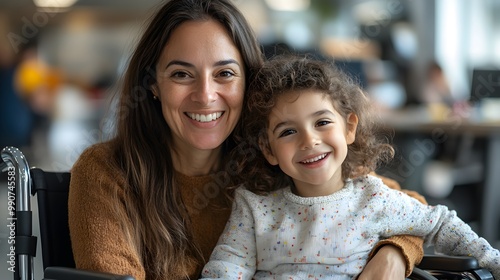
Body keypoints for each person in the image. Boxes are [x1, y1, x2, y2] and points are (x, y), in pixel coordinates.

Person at [68, 1, 426, 279]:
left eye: (225, 73)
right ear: (153, 86)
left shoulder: (278, 156)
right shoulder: (107, 172)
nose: (206, 96)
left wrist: (393, 254)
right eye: (181, 74)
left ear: (248, 84)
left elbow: (408, 206)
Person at [200, 55, 500, 279]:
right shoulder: (254, 207)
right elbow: (227, 267)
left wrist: (493, 262)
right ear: (268, 149)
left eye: (322, 122)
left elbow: (439, 223)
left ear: (349, 128)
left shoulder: (373, 198)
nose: (309, 140)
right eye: (287, 131)